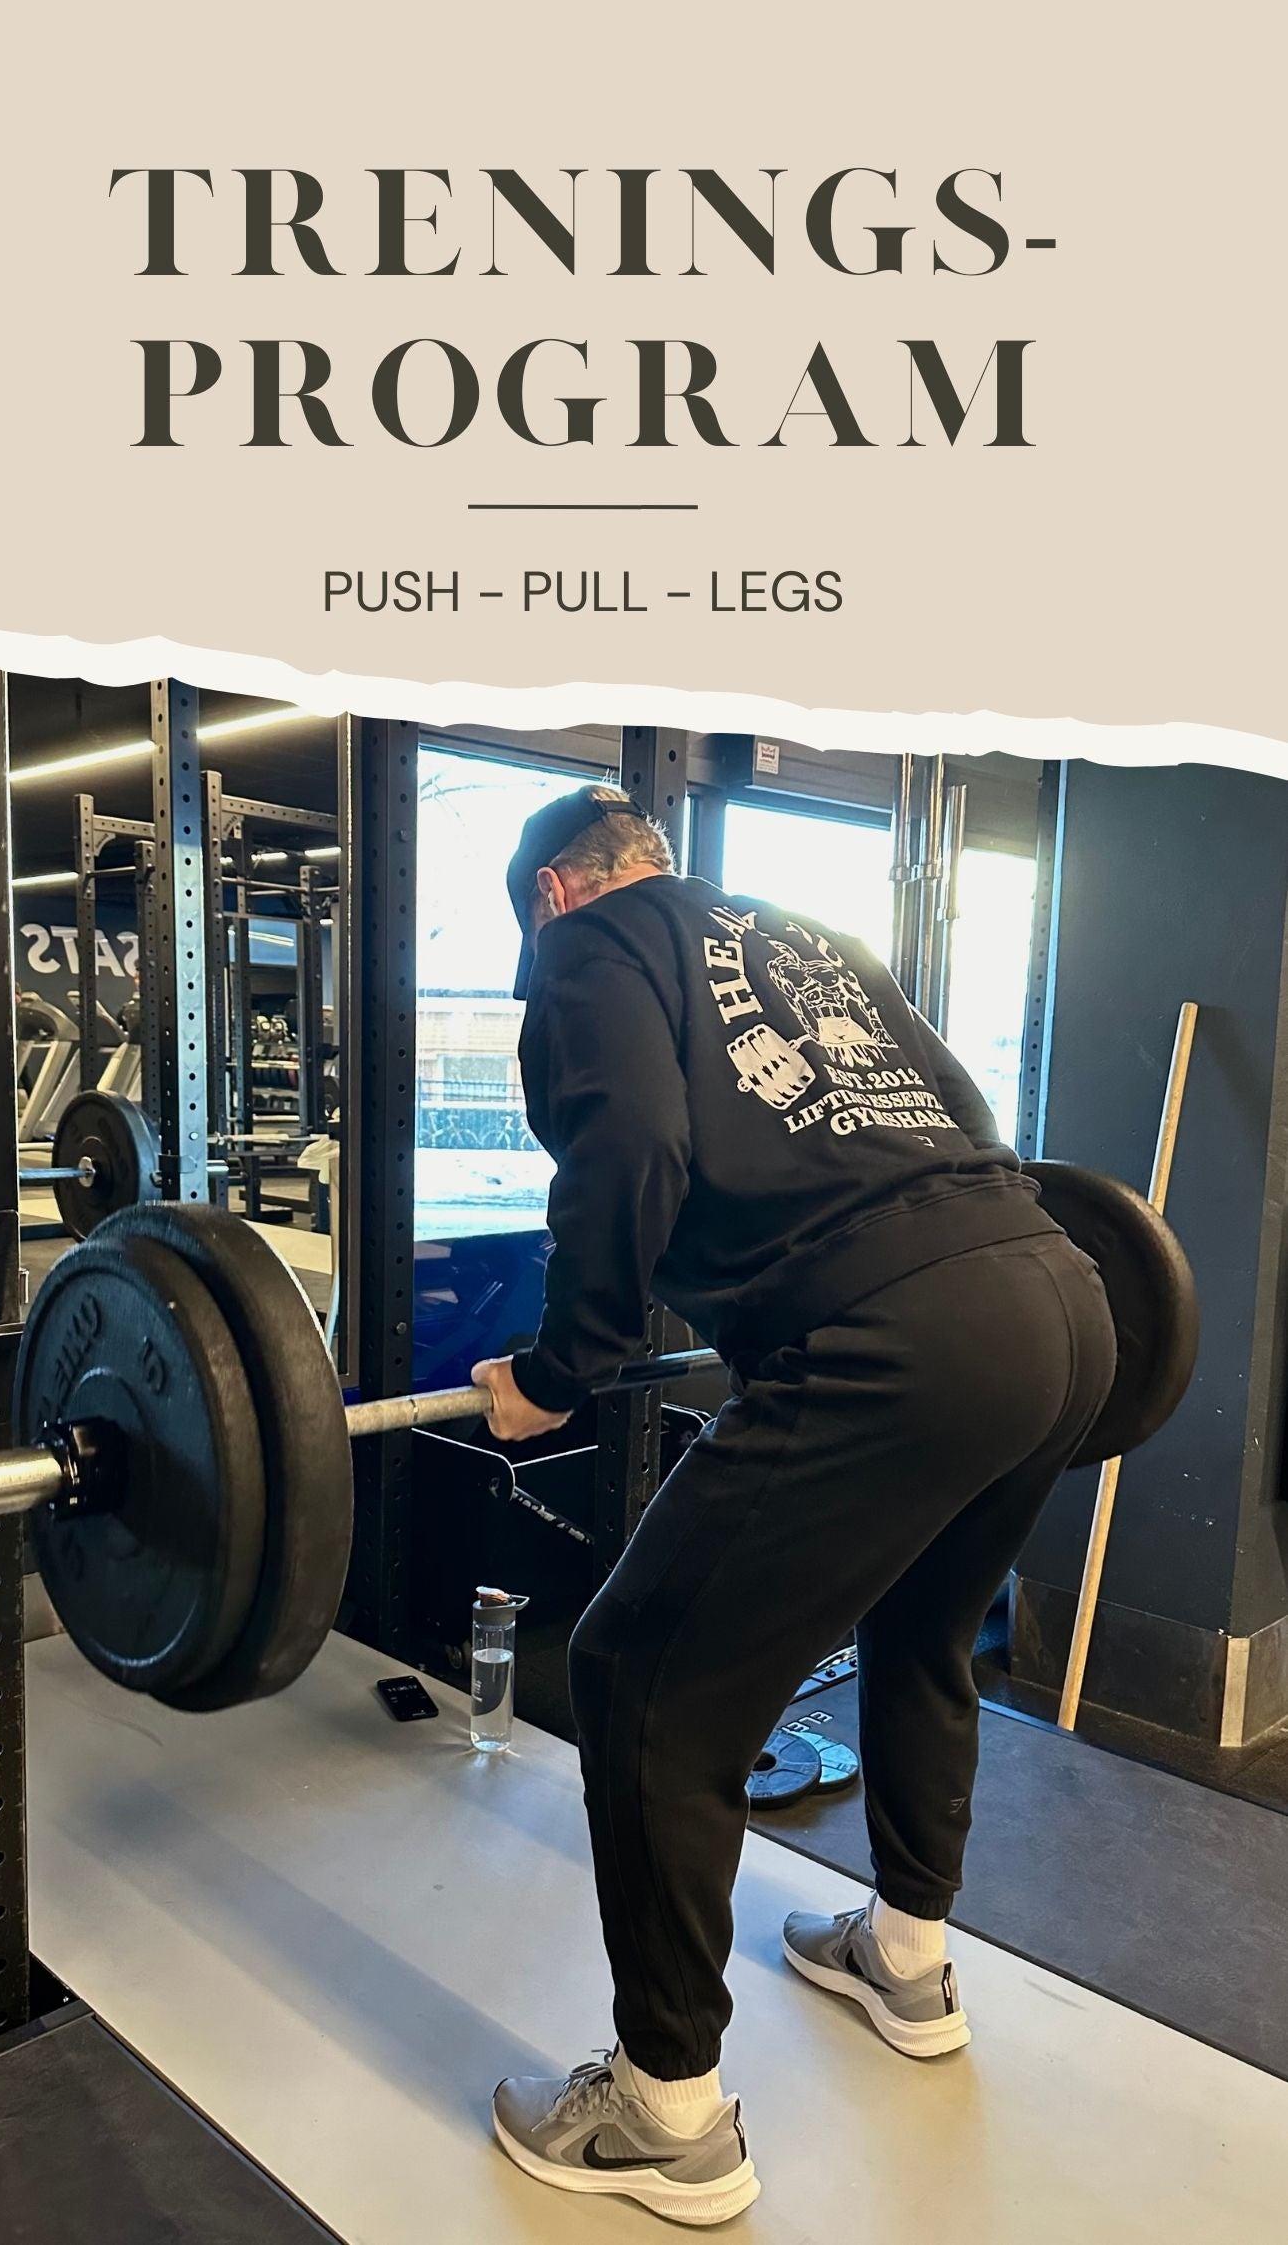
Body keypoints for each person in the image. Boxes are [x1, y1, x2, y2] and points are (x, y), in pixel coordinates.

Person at [471, 785, 1116, 2227]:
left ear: (555, 893)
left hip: (899, 1342)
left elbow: (629, 1151)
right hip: (1062, 1300)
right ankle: (906, 1961)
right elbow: (965, 1121)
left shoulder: (591, 943)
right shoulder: (802, 936)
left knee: (637, 1674)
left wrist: (561, 1372)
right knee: (924, 1627)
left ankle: (664, 2114)